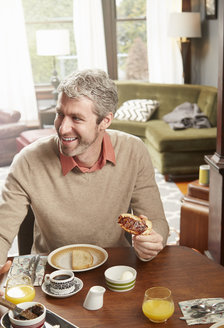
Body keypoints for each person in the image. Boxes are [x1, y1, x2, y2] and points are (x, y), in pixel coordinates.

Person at [0, 69, 169, 269]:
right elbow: (2, 232)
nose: (62, 128)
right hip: (50, 272)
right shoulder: (27, 161)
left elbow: (156, 221)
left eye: (76, 118)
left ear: (105, 121)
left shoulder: (133, 150)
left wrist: (151, 242)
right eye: (60, 114)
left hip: (114, 267)